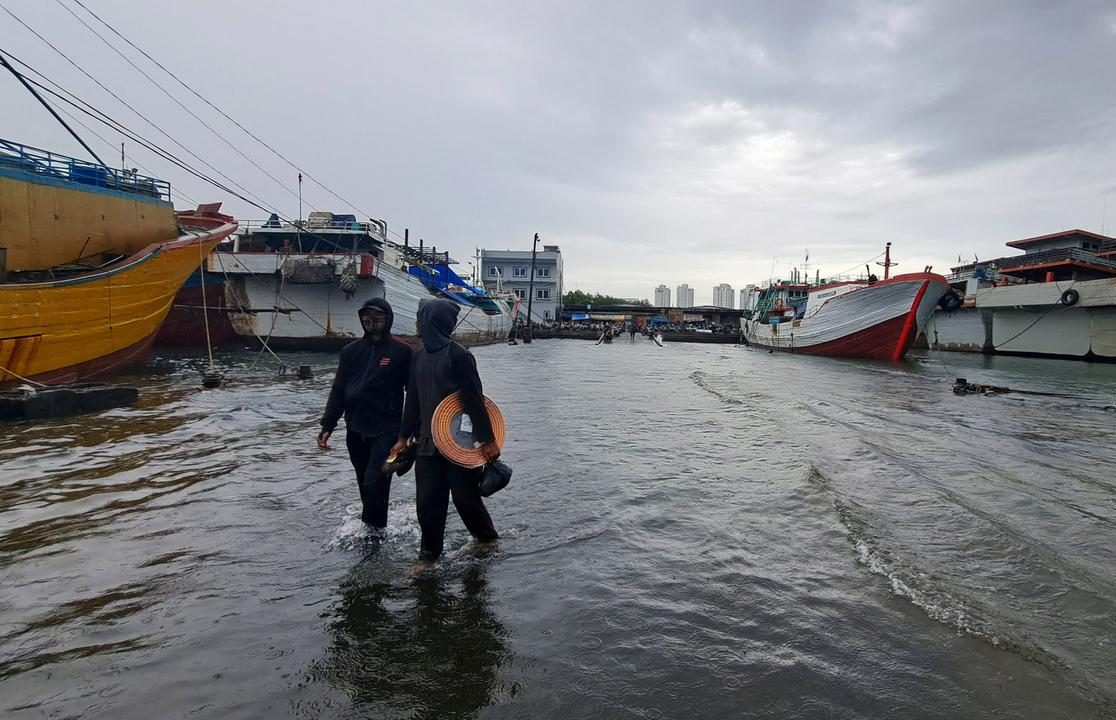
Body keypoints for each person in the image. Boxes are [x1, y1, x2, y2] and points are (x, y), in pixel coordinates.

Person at [392, 299, 500, 566]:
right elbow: (412, 400)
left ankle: (487, 540)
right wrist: (402, 438)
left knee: (465, 500)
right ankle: (428, 557)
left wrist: (487, 440)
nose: (417, 324)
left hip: (458, 444)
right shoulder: (418, 356)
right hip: (426, 443)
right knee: (427, 503)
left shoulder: (460, 356)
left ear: (432, 322)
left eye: (420, 319)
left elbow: (474, 400)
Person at [319, 298, 412, 533]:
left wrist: (408, 434)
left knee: (375, 481)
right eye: (367, 318)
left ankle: (376, 531)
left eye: (378, 318)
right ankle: (372, 528)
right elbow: (338, 388)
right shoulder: (350, 351)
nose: (372, 322)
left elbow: (413, 393)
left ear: (388, 319)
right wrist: (328, 424)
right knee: (364, 482)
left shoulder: (401, 351)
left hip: (386, 429)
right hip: (356, 427)